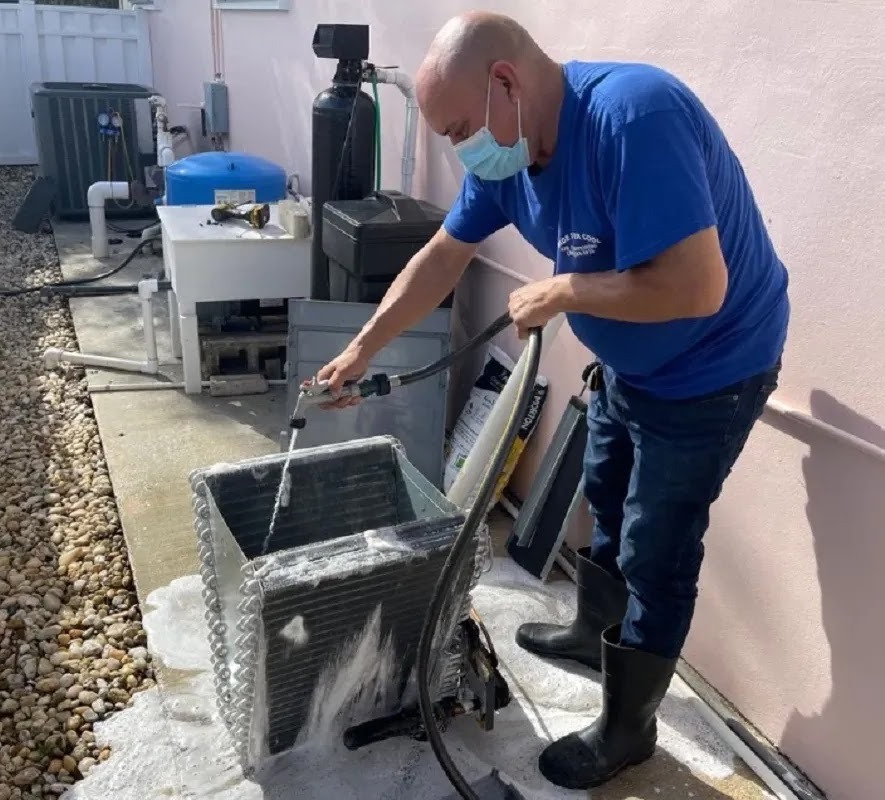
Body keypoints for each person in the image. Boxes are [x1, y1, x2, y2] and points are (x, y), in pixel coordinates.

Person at [314, 10, 789, 791]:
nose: (460, 146)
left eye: (462, 126)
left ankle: (627, 731)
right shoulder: (506, 159)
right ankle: (587, 631)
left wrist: (566, 289)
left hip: (713, 369)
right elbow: (440, 258)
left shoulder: (634, 116)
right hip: (632, 368)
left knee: (656, 550)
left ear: (507, 82)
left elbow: (699, 287)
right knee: (602, 495)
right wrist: (361, 348)